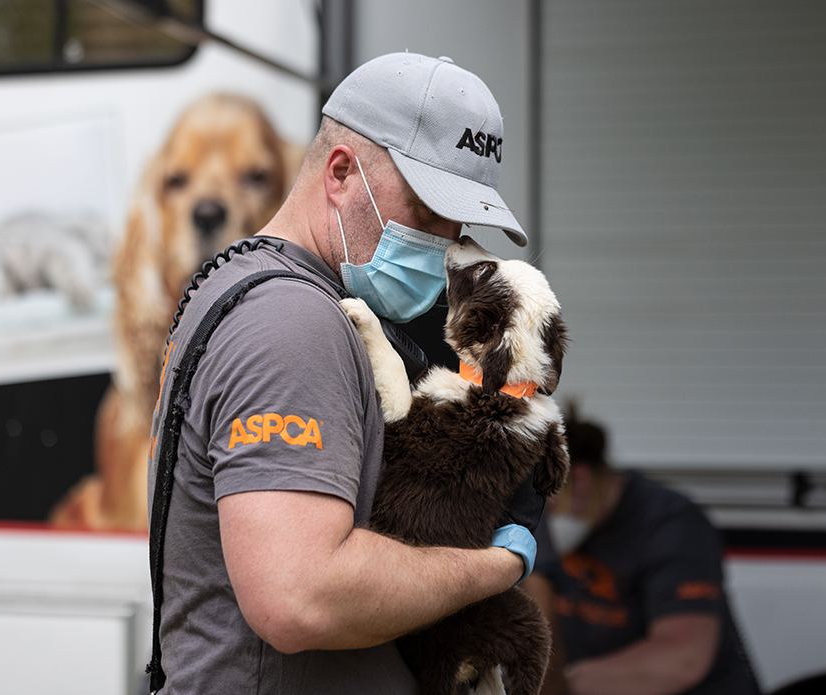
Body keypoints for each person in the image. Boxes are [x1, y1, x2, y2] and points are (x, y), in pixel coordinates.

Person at [146, 53, 540, 693]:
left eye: (462, 218)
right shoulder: (292, 325)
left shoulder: (246, 284)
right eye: (428, 207)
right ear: (340, 173)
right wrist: (498, 563)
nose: (449, 239)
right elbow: (299, 598)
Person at [522, 411, 762, 695]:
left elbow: (683, 658)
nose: (543, 509)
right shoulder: (541, 516)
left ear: (581, 478)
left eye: (549, 497)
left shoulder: (672, 524)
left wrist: (562, 682)